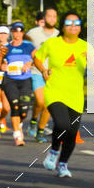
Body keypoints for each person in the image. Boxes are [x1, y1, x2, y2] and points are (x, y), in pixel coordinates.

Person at [33, 12, 91, 178]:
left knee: (72, 133)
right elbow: (37, 58)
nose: (73, 26)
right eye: (69, 22)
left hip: (76, 96)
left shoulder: (85, 46)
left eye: (77, 23)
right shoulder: (52, 43)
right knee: (62, 123)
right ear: (63, 26)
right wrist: (43, 70)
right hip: (54, 92)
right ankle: (53, 151)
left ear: (80, 27)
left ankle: (62, 164)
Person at [0, 22, 34, 146]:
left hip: (25, 80)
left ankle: (20, 123)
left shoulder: (29, 46)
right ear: (11, 32)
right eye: (15, 30)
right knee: (15, 106)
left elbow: (36, 59)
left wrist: (30, 64)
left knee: (24, 110)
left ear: (23, 32)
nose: (17, 33)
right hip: (10, 80)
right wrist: (2, 65)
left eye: (20, 30)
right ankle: (17, 135)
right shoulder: (6, 47)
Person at [26, 7, 59, 141]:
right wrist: (28, 61)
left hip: (53, 74)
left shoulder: (58, 34)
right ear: (44, 18)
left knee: (48, 105)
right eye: (49, 16)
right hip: (37, 72)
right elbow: (23, 46)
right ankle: (33, 121)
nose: (52, 19)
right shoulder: (33, 33)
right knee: (40, 101)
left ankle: (40, 130)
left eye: (54, 16)